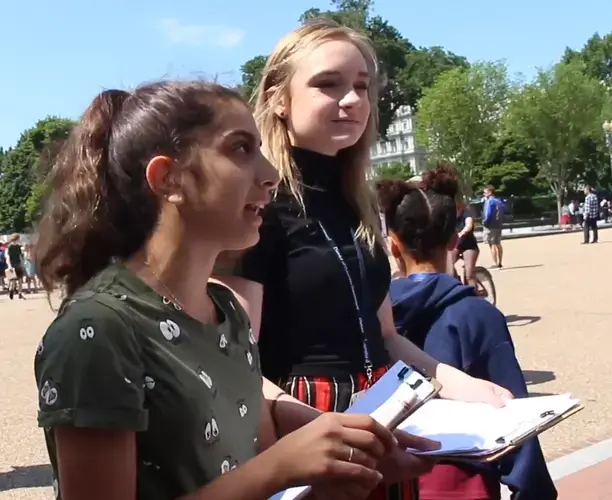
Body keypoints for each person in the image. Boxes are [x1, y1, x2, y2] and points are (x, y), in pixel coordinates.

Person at [32, 81, 435, 500]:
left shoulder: (226, 311)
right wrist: (277, 468)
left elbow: (248, 469)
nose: (271, 174)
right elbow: (260, 473)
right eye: (241, 149)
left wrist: (342, 473)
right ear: (168, 178)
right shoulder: (98, 330)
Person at [213, 20, 511, 500]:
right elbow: (234, 360)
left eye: (361, 86)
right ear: (278, 98)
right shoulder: (257, 207)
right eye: (327, 84)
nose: (351, 100)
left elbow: (386, 336)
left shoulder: (358, 203)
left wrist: (464, 385)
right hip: (304, 421)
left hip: (382, 410)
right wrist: (316, 427)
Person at [381, 166, 556, 500]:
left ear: (393, 245)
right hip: (462, 485)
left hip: (389, 482)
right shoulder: (477, 314)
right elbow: (513, 418)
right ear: (453, 242)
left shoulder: (374, 316)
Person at [452, 198, 480, 288]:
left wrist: (463, 232)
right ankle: (456, 284)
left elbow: (469, 224)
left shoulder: (466, 213)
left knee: (469, 275)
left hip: (468, 246)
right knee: (447, 267)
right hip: (455, 245)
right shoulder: (449, 215)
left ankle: (476, 298)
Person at [481, 185, 504, 269]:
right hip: (498, 225)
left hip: (490, 226)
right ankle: (500, 262)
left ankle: (495, 263)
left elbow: (488, 213)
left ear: (490, 192)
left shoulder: (489, 201)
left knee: (492, 245)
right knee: (498, 243)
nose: (484, 194)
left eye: (485, 192)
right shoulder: (499, 201)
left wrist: (485, 222)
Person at [5, 234, 26, 300]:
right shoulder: (10, 247)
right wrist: (9, 265)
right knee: (15, 280)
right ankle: (13, 291)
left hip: (16, 264)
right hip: (14, 264)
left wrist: (22, 264)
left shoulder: (17, 247)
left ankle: (18, 292)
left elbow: (20, 256)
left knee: (18, 280)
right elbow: (8, 257)